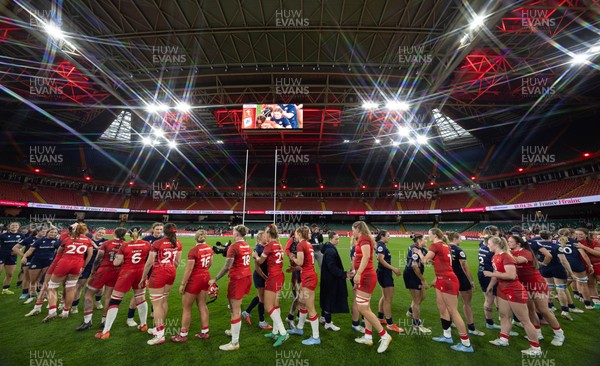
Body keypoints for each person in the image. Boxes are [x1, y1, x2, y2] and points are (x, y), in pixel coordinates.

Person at [412, 228, 473, 353]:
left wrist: (419, 252)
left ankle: (466, 344)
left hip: (447, 279)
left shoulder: (436, 245)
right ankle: (447, 336)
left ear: (434, 235)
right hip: (442, 279)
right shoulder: (444, 245)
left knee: (453, 311)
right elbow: (439, 262)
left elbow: (425, 261)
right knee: (442, 308)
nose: (428, 237)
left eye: (429, 234)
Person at [483, 237, 542, 356]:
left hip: (514, 289)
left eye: (489, 244)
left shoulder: (506, 256)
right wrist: (490, 286)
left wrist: (491, 274)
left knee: (525, 320)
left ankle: (536, 349)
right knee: (504, 315)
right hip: (502, 288)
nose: (487, 246)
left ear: (496, 244)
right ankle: (503, 340)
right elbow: (498, 274)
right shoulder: (495, 256)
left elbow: (511, 275)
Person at [508, 235, 565, 346]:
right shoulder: (511, 252)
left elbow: (516, 260)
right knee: (530, 310)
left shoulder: (525, 252)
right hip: (524, 285)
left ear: (518, 244)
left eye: (510, 242)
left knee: (544, 310)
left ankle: (559, 334)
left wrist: (502, 253)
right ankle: (538, 333)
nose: (508, 243)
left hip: (536, 284)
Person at [95, 228, 151, 339]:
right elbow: (150, 260)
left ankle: (106, 331)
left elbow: (117, 263)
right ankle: (143, 324)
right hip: (141, 272)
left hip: (127, 273)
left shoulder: (125, 245)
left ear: (129, 235)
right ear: (141, 234)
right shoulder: (147, 244)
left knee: (115, 300)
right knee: (140, 298)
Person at [209, 224, 252, 351]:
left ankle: (234, 343)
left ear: (237, 234)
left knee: (235, 310)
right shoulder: (247, 245)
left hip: (238, 279)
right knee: (234, 307)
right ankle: (234, 331)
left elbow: (227, 266)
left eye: (233, 232)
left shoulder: (234, 246)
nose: (232, 234)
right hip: (246, 276)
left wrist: (215, 279)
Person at [351, 221, 392, 353]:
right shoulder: (364, 239)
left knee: (362, 308)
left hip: (366, 276)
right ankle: (368, 336)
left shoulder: (364, 239)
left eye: (353, 229)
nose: (353, 232)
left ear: (358, 228)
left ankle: (384, 335)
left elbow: (366, 256)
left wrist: (358, 273)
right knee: (366, 307)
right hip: (366, 275)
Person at [75, 227, 126, 331]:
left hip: (103, 271)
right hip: (117, 272)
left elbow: (98, 258)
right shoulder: (126, 245)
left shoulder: (107, 243)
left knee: (88, 294)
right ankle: (104, 321)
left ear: (114, 233)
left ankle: (87, 321)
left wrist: (93, 271)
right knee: (108, 297)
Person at [142, 223, 182, 345]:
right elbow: (177, 262)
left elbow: (149, 263)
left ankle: (160, 334)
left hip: (159, 273)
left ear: (164, 231)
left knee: (157, 304)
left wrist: (143, 277)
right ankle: (158, 328)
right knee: (164, 300)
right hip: (171, 272)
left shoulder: (157, 243)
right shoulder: (178, 243)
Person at [43, 223, 93, 321]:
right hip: (78, 264)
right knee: (71, 288)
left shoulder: (68, 239)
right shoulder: (88, 240)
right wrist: (83, 266)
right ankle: (65, 312)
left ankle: (52, 311)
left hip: (64, 263)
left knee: (52, 287)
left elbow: (59, 252)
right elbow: (89, 254)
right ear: (85, 231)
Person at [171, 229, 213, 342]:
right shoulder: (209, 248)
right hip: (206, 276)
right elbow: (209, 264)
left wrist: (182, 284)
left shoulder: (194, 250)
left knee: (187, 307)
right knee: (202, 305)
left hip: (195, 278)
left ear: (195, 238)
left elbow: (189, 269)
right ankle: (205, 331)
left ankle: (183, 335)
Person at [255, 224, 289, 347]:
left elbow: (260, 262)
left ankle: (283, 332)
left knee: (268, 306)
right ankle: (275, 332)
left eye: (265, 233)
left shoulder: (269, 245)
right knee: (275, 304)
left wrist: (255, 256)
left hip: (273, 277)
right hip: (280, 275)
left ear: (269, 234)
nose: (264, 235)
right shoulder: (279, 245)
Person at [447, 231, 485, 336]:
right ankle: (471, 328)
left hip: (449, 279)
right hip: (461, 279)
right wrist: (471, 281)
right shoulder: (459, 250)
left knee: (451, 303)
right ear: (455, 238)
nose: (461, 240)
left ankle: (450, 322)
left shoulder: (444, 248)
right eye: (460, 238)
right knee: (467, 303)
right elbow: (465, 268)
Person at [287, 226, 321, 345]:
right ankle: (300, 328)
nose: (294, 235)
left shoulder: (301, 245)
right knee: (301, 301)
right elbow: (305, 263)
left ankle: (316, 337)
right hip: (308, 275)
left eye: (296, 233)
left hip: (308, 278)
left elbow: (300, 262)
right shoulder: (308, 244)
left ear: (300, 234)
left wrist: (292, 257)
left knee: (310, 307)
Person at [22, 228, 61, 312]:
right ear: (47, 233)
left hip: (48, 263)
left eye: (55, 232)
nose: (53, 233)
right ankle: (31, 296)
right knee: (33, 281)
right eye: (51, 232)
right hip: (36, 261)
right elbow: (31, 250)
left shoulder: (57, 241)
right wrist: (25, 256)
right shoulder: (40, 240)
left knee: (45, 282)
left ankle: (47, 298)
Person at [556, 228, 594, 310]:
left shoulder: (555, 242)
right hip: (575, 264)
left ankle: (558, 296)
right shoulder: (574, 242)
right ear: (570, 234)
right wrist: (590, 265)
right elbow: (584, 255)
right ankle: (587, 304)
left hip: (562, 265)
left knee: (563, 283)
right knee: (583, 283)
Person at [72, 227, 107, 314]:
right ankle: (74, 305)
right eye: (100, 232)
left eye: (103, 233)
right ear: (95, 231)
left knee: (99, 286)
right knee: (79, 285)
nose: (101, 234)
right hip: (86, 265)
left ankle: (98, 301)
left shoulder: (106, 241)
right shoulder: (87, 239)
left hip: (99, 266)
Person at [242, 230, 272, 330]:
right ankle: (261, 321)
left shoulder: (264, 247)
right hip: (260, 276)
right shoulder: (258, 249)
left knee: (260, 296)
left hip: (264, 276)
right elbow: (257, 268)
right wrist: (266, 278)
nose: (267, 237)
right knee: (262, 299)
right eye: (264, 236)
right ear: (260, 238)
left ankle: (246, 312)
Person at [375, 230, 403, 334]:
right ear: (382, 236)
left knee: (384, 296)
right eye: (388, 236)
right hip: (384, 273)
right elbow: (381, 260)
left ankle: (380, 318)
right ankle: (390, 324)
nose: (389, 237)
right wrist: (394, 269)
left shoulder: (381, 245)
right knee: (388, 298)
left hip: (383, 273)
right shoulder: (381, 245)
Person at [319, 231, 348, 331]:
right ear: (331, 239)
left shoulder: (328, 248)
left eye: (338, 238)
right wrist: (344, 274)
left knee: (325, 298)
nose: (338, 240)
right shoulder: (330, 251)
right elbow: (332, 268)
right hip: (330, 280)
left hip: (326, 279)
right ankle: (328, 323)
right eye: (336, 239)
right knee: (329, 301)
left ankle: (323, 318)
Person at [403, 233, 431, 334]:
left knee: (422, 296)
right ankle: (416, 325)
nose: (426, 241)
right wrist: (423, 280)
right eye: (425, 239)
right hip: (412, 275)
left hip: (416, 275)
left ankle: (410, 311)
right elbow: (415, 266)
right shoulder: (413, 248)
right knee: (416, 300)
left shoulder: (422, 250)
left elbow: (427, 261)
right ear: (419, 241)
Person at [477, 226, 502, 330]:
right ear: (495, 234)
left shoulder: (482, 244)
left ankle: (491, 321)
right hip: (490, 274)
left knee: (489, 298)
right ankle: (491, 322)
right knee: (491, 299)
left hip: (482, 272)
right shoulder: (493, 247)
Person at [13, 229, 45, 300]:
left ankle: (37, 293)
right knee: (27, 277)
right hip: (29, 260)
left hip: (39, 261)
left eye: (46, 232)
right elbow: (15, 248)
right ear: (37, 231)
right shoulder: (28, 239)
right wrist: (23, 255)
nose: (44, 233)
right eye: (43, 231)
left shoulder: (46, 239)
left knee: (39, 279)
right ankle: (24, 293)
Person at [573, 228, 600, 308]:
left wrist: (583, 247)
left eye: (581, 234)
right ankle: (597, 303)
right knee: (591, 284)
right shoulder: (573, 243)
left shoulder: (593, 242)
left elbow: (598, 254)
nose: (578, 236)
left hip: (597, 264)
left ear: (586, 235)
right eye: (576, 234)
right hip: (585, 266)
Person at [0, 222, 26, 295]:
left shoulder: (21, 235)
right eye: (13, 225)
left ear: (18, 227)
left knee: (10, 274)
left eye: (16, 225)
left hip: (12, 256)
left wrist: (19, 250)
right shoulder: (3, 235)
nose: (14, 226)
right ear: (9, 227)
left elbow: (24, 244)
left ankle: (5, 290)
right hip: (1, 255)